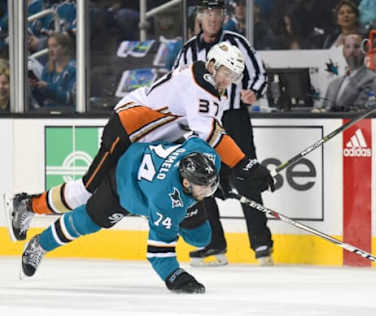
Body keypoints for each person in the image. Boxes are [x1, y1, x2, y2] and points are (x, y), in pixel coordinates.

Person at [4, 41, 274, 247]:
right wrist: (244, 164)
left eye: (234, 77)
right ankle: (27, 205)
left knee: (112, 193)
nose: (228, 80)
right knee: (86, 191)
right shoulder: (202, 85)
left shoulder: (213, 88)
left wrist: (225, 174)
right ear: (213, 65)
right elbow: (208, 133)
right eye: (226, 72)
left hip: (149, 141)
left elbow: (204, 136)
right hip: (128, 128)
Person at [21, 137, 220, 294]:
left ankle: (178, 210)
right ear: (186, 183)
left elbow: (204, 140)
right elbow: (158, 254)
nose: (209, 191)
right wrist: (176, 277)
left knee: (201, 238)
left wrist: (225, 181)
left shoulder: (205, 154)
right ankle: (41, 243)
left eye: (212, 186)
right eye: (205, 188)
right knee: (88, 221)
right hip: (124, 183)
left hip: (149, 165)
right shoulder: (165, 201)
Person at [173, 0, 273, 266]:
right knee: (201, 178)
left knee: (246, 176)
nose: (212, 18)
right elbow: (176, 83)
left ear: (223, 16)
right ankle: (212, 242)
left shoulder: (236, 42)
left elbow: (259, 73)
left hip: (233, 117)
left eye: (217, 13)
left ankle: (261, 243)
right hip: (201, 121)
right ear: (199, 16)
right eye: (207, 12)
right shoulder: (187, 51)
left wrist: (254, 91)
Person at [313, 34, 376, 112]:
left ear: (365, 50)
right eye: (347, 47)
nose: (351, 51)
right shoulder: (334, 84)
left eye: (356, 47)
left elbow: (360, 109)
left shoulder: (372, 78)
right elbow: (325, 109)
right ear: (343, 52)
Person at [31, 32, 76, 109]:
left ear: (65, 48)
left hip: (68, 113)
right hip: (47, 112)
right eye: (49, 47)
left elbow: (71, 98)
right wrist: (35, 88)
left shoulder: (74, 68)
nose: (51, 50)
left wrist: (48, 88)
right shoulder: (47, 68)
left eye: (55, 46)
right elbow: (41, 100)